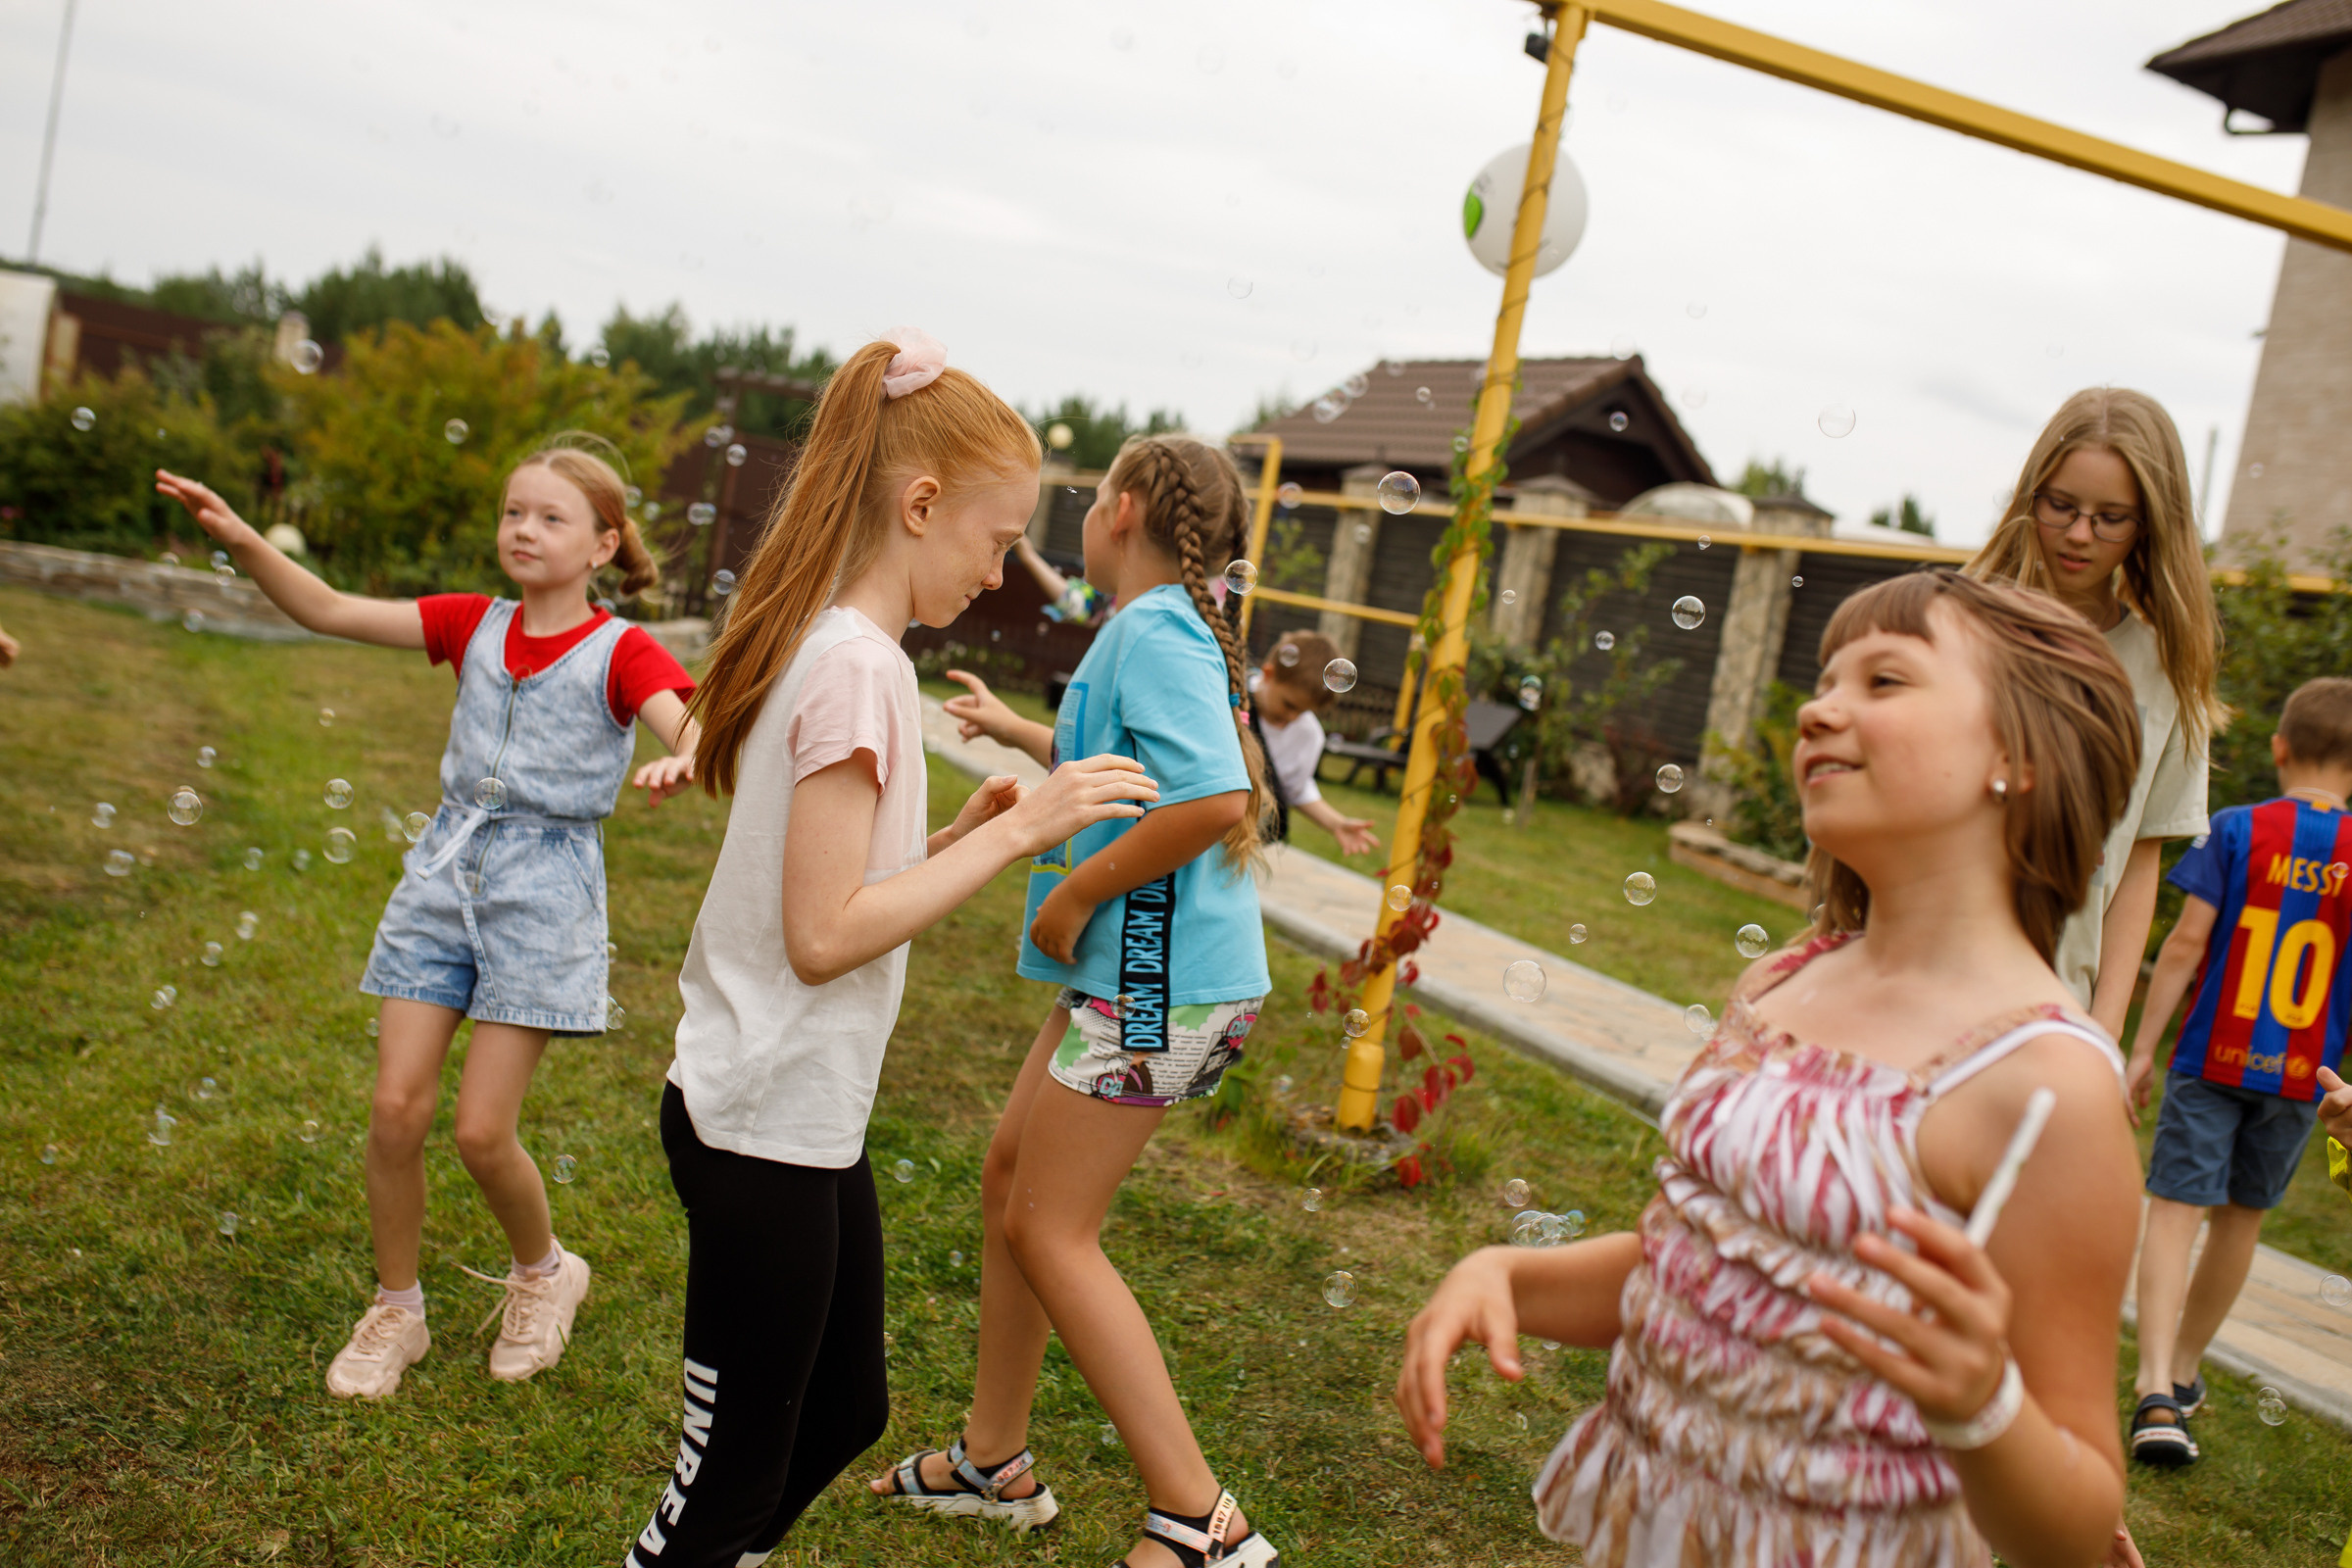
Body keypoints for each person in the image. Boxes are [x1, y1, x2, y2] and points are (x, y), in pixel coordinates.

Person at [1396, 570, 2151, 1568]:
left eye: (1884, 681)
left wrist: (1985, 1408)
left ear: (2017, 752)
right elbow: (1710, 1274)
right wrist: (1506, 1273)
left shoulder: (2043, 1084)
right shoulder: (1782, 981)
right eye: (1824, 679)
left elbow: (2077, 1524)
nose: (1817, 708)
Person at [623, 330, 1156, 1568]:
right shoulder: (857, 668)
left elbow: (838, 890)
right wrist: (1020, 829)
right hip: (760, 1119)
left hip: (792, 1111)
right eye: (993, 537)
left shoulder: (841, 647)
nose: (1001, 569)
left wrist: (962, 834)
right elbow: (820, 937)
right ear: (920, 505)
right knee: (736, 1462)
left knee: (843, 1409)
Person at [155, 437, 696, 1400]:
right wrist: (240, 534)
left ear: (605, 544)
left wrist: (681, 755)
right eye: (513, 511)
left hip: (544, 896)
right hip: (441, 880)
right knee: (395, 1109)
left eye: (551, 516)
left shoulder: (624, 649)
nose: (523, 529)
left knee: (482, 1134)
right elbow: (325, 609)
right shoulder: (468, 621)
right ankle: (396, 1307)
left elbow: (685, 724)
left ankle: (545, 1273)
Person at [875, 433, 1283, 1568]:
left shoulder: (1154, 628)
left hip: (1157, 986)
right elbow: (1134, 763)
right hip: (1133, 981)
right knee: (1015, 1181)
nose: (1086, 508)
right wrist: (1026, 736)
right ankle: (993, 1459)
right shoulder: (1150, 627)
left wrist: (1078, 894)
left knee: (1053, 1226)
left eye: (1097, 490)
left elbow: (1211, 797)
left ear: (1130, 509)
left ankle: (1202, 1522)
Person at [2122, 676, 2352, 1466]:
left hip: (2210, 1056)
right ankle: (2184, 1371)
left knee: (2175, 1210)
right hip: (2302, 1078)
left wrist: (2142, 1046)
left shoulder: (2235, 828)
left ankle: (2153, 1387)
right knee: (2242, 1219)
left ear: (2279, 748)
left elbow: (2184, 944)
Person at [1965, 387, 2224, 1040]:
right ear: (2030, 495)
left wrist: (2103, 1035)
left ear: (2152, 526)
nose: (2080, 534)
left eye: (2112, 517)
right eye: (2062, 506)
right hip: (1926, 975)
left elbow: (2137, 865)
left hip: (2055, 1011)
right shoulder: (1960, 622)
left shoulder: (2167, 669)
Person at [1250, 629, 1378, 856]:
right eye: (1289, 705)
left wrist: (1336, 823)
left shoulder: (1308, 733)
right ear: (1268, 674)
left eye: (1303, 711)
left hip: (1249, 839)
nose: (1292, 717)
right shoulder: (1231, 698)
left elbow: (1295, 790)